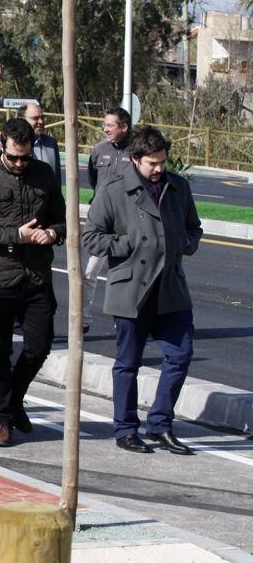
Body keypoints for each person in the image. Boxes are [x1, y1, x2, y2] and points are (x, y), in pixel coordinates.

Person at [82, 127, 202, 455]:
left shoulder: (178, 187)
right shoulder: (114, 190)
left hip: (171, 289)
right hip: (132, 290)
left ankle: (160, 424)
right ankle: (125, 428)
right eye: (152, 163)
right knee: (127, 363)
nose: (159, 168)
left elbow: (194, 227)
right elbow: (90, 236)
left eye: (163, 161)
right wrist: (126, 244)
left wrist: (184, 244)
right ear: (135, 159)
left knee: (180, 355)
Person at [0, 118, 65, 447]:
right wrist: (14, 237)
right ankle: (3, 419)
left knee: (39, 345)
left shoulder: (44, 175)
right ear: (2, 146)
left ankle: (14, 399)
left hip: (36, 275)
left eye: (25, 157)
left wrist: (52, 233)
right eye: (13, 157)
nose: (20, 163)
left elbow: (61, 219)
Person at [83, 107, 132, 332]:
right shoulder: (98, 151)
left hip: (127, 223)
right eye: (105, 124)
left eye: (110, 125)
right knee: (89, 272)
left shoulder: (137, 151)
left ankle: (124, 320)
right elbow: (94, 181)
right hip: (102, 223)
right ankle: (82, 320)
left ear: (124, 127)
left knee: (123, 273)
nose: (105, 129)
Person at [0, 102, 61, 184]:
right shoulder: (4, 142)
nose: (41, 122)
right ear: (22, 119)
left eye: (42, 118)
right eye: (35, 118)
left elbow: (56, 178)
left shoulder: (51, 143)